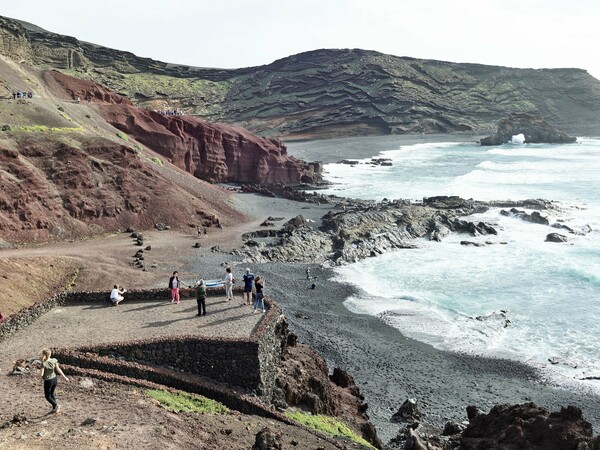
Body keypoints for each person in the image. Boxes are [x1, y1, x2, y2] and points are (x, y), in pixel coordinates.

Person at [39, 348, 69, 414]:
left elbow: (41, 374)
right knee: (52, 394)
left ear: (43, 355)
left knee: (47, 396)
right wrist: (65, 377)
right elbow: (58, 370)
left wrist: (37, 375)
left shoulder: (43, 363)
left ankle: (56, 405)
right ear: (50, 354)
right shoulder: (54, 360)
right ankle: (54, 408)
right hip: (54, 379)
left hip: (48, 381)